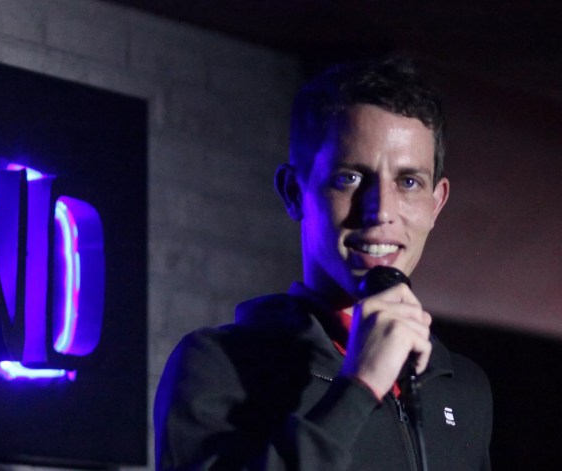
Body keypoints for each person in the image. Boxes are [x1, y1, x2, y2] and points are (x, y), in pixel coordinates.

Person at [154, 57, 492, 470]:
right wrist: (359, 387)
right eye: (349, 178)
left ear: (435, 204)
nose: (381, 211)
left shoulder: (465, 388)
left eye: (408, 182)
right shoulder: (218, 365)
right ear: (294, 192)